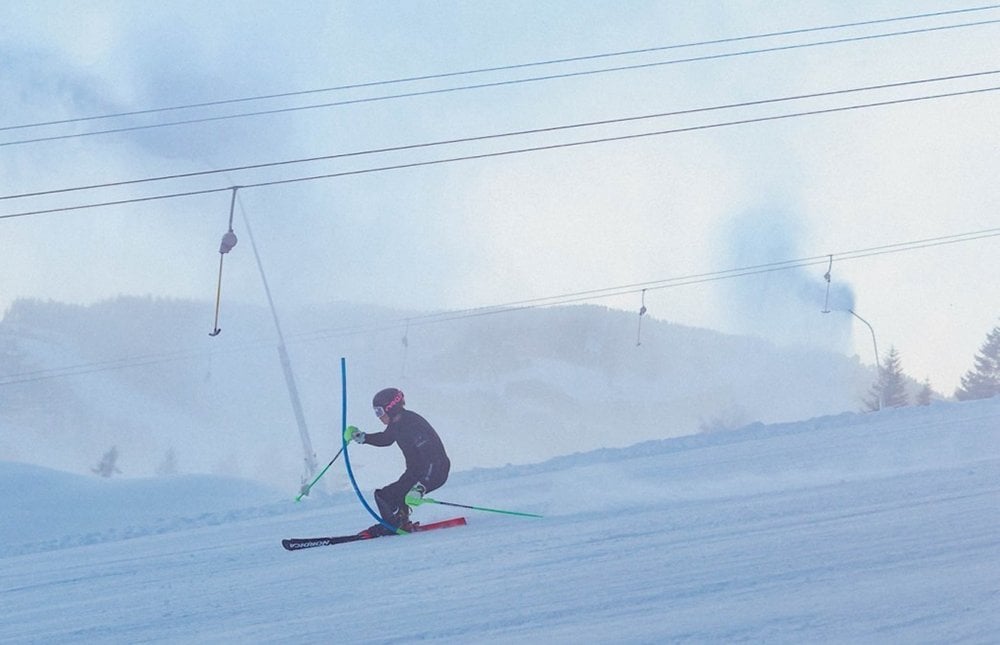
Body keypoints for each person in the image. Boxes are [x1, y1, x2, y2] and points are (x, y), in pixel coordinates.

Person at [344, 387, 450, 536]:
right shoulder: (397, 423)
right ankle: (400, 522)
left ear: (390, 408)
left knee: (384, 496)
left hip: (434, 471)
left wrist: (422, 486)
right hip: (417, 473)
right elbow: (386, 439)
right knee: (388, 495)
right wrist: (362, 437)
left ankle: (392, 526)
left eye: (379, 412)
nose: (378, 416)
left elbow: (434, 458)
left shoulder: (413, 425)